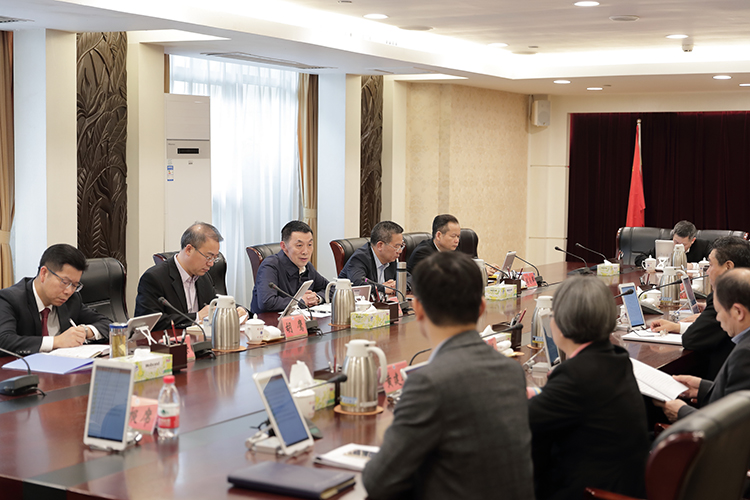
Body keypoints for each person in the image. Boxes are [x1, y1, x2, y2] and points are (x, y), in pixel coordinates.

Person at [361, 252, 534, 500]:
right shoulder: (511, 370)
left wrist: (386, 429)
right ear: (482, 307)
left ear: (418, 309)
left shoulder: (429, 383)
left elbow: (377, 481)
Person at [528, 276, 649, 500]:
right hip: (626, 485)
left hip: (590, 492)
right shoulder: (616, 358)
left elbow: (523, 422)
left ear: (562, 323)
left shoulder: (576, 375)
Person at [650, 236, 750, 379]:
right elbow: (716, 329)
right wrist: (680, 326)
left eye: (711, 265)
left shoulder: (729, 298)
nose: (707, 272)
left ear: (728, 266)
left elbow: (691, 339)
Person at [657, 268, 750, 421]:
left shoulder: (745, 354)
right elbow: (737, 396)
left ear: (738, 312)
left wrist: (681, 412)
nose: (717, 319)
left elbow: (732, 424)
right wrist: (703, 388)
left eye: (719, 312)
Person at [0, 244, 110, 355]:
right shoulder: (9, 299)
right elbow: (3, 340)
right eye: (65, 282)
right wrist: (56, 341)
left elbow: (108, 324)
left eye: (75, 285)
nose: (69, 291)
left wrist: (84, 331)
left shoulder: (72, 300)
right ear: (44, 273)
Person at [135, 222, 245, 331]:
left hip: (201, 339)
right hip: (171, 341)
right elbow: (149, 324)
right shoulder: (154, 278)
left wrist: (239, 310)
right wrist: (197, 317)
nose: (211, 264)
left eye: (214, 258)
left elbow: (214, 304)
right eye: (208, 257)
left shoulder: (203, 277)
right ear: (189, 250)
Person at [250, 221, 329, 314]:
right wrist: (301, 302)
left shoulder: (307, 266)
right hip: (271, 322)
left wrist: (317, 298)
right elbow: (266, 302)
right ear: (284, 246)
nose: (306, 251)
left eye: (310, 245)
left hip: (300, 320)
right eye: (299, 245)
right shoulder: (270, 266)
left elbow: (331, 288)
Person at [338, 220, 411, 298]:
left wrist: (397, 284)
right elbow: (358, 283)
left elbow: (410, 278)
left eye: (401, 246)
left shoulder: (391, 259)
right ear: (380, 245)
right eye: (396, 246)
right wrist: (384, 288)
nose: (400, 251)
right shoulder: (360, 258)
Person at [634, 220, 711, 268]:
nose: (678, 246)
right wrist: (652, 264)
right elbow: (639, 258)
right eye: (676, 242)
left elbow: (715, 263)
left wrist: (693, 266)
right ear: (673, 235)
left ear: (692, 240)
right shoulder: (665, 245)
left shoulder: (703, 246)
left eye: (683, 245)